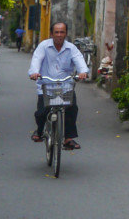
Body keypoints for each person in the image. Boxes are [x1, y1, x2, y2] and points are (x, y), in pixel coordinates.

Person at [28, 22, 90, 150]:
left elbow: (79, 60)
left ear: (66, 33)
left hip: (65, 87)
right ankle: (39, 131)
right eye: (56, 32)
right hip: (46, 87)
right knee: (41, 113)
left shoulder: (71, 48)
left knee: (72, 108)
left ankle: (68, 138)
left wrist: (83, 72)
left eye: (62, 32)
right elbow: (36, 59)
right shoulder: (43, 46)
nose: (59, 35)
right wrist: (34, 72)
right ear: (51, 34)